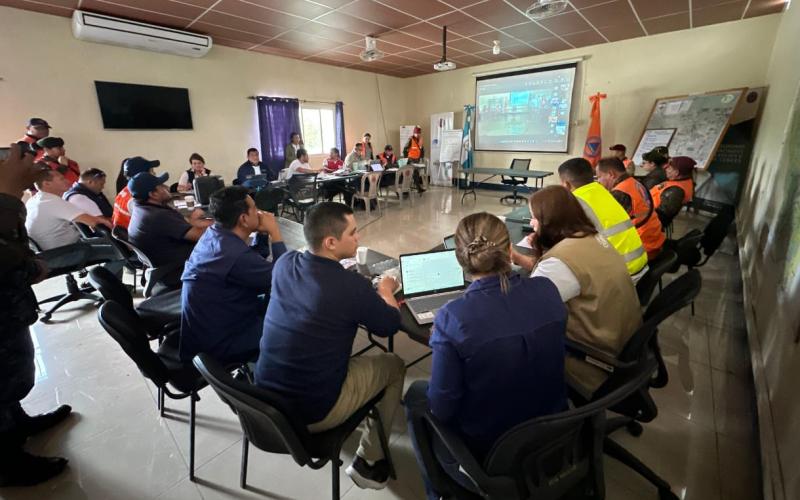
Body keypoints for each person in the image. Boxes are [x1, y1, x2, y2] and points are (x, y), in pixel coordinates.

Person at [405, 212, 568, 500]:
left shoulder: (453, 317)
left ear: (460, 261)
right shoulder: (547, 289)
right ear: (509, 252)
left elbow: (442, 409)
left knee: (416, 395)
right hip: (553, 432)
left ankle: (438, 492)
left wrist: (445, 341)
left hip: (490, 450)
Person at [256, 202, 405, 490]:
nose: (359, 238)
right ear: (331, 242)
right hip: (311, 413)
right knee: (394, 365)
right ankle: (369, 461)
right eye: (353, 233)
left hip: (264, 398)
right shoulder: (350, 286)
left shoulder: (285, 264)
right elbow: (389, 325)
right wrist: (385, 290)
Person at [511, 186, 642, 399]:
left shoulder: (559, 262)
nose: (531, 224)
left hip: (591, 359)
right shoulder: (591, 238)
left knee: (511, 340)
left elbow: (525, 312)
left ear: (550, 221)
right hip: (621, 340)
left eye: (534, 218)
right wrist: (518, 258)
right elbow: (565, 276)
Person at [1, 143, 73, 487]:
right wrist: (8, 191)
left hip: (9, 307)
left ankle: (17, 421)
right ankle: (8, 463)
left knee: (11, 375)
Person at [180, 186, 286, 364]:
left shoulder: (214, 234)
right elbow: (283, 278)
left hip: (206, 329)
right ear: (243, 219)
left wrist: (261, 234)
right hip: (223, 341)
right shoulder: (234, 255)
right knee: (294, 324)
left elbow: (253, 258)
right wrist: (275, 233)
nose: (259, 212)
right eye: (254, 209)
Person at [557, 158, 648, 279]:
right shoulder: (604, 191)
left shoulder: (576, 201)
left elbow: (562, 238)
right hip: (639, 262)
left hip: (622, 274)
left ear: (566, 184)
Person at [25, 169, 122, 276]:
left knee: (116, 244)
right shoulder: (52, 201)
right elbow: (95, 221)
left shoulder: (34, 200)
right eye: (61, 179)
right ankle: (102, 283)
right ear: (47, 183)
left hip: (48, 253)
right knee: (121, 251)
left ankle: (103, 281)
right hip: (65, 253)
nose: (67, 180)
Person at [127, 172, 211, 286]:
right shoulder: (157, 216)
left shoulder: (142, 208)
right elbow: (201, 235)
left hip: (168, 263)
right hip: (180, 268)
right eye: (161, 186)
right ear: (153, 194)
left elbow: (185, 225)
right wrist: (227, 223)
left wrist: (199, 220)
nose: (167, 187)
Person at [596, 157, 665, 260]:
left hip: (642, 246)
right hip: (654, 238)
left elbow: (604, 223)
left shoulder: (620, 193)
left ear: (611, 174)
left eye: (599, 176)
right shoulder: (634, 182)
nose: (598, 181)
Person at [112, 156, 158, 230]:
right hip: (132, 238)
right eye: (151, 171)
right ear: (142, 175)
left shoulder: (126, 190)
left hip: (125, 233)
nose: (154, 174)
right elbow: (154, 222)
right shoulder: (135, 198)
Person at [402, 128, 426, 193]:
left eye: (419, 133)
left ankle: (418, 188)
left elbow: (421, 150)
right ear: (414, 133)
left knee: (416, 174)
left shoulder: (420, 140)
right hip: (410, 160)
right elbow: (405, 150)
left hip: (417, 160)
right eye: (416, 133)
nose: (418, 134)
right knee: (409, 174)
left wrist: (422, 158)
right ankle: (406, 190)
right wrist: (406, 159)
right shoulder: (410, 140)